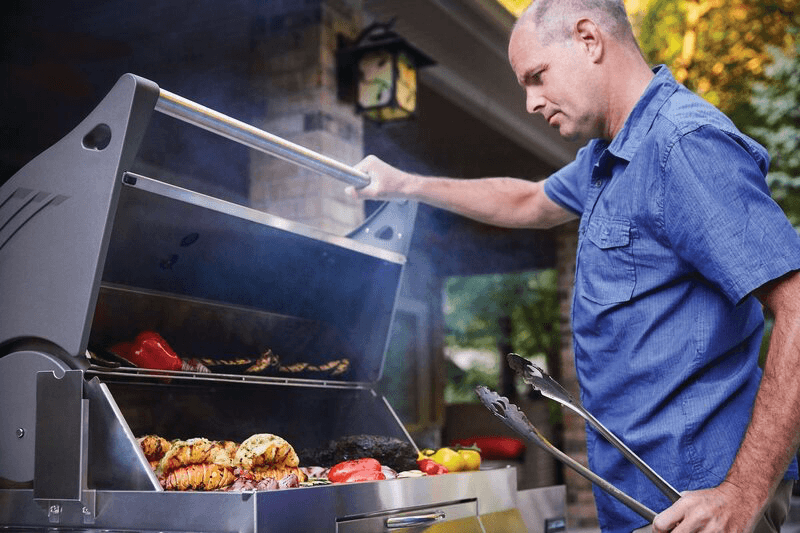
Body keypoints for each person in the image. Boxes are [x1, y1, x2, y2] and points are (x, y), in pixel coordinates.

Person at [346, 1, 800, 532]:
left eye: (537, 77)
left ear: (589, 38)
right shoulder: (605, 157)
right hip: (636, 499)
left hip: (699, 503)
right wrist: (405, 185)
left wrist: (742, 494)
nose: (531, 103)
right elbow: (527, 201)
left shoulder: (683, 143)